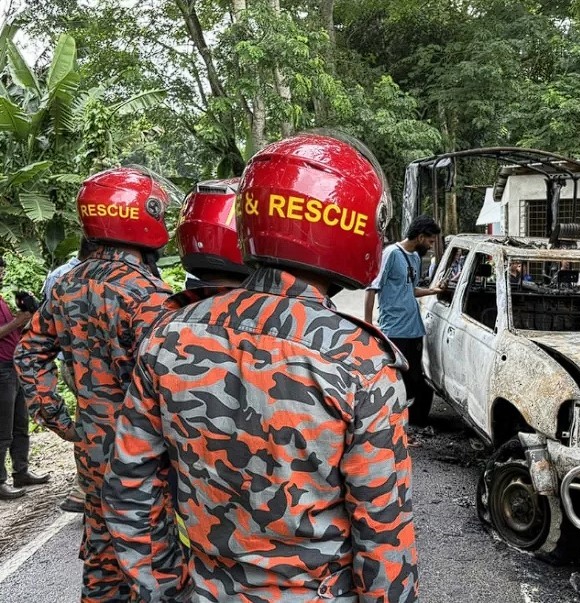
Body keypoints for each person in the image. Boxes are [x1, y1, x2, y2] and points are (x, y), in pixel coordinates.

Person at [104, 133, 419, 602]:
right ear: (350, 225)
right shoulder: (361, 362)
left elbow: (128, 490)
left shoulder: (168, 337)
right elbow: (383, 538)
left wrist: (167, 591)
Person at [15, 166, 184, 602]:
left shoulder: (68, 285)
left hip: (90, 448)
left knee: (102, 554)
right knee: (152, 558)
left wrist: (56, 417)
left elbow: (28, 353)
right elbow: (172, 383)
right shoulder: (150, 296)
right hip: (145, 456)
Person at [365, 214, 442, 425]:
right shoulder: (391, 254)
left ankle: (410, 423)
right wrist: (368, 325)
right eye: (430, 241)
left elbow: (410, 289)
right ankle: (387, 420)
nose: (430, 245)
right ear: (419, 236)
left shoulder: (415, 258)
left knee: (416, 379)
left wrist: (432, 291)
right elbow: (372, 288)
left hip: (414, 328)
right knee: (397, 377)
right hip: (394, 329)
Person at [40, 240, 99, 513]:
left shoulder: (59, 275)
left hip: (72, 363)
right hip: (94, 364)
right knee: (100, 422)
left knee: (87, 420)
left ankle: (84, 487)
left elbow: (43, 329)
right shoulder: (100, 276)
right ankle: (88, 487)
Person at [0, 258, 50, 501]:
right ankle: (0, 481)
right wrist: (16, 322)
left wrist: (26, 319)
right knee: (3, 429)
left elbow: (12, 331)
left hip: (13, 366)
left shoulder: (1, 300)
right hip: (1, 370)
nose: (1, 276)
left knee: (20, 424)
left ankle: (21, 471)